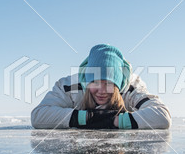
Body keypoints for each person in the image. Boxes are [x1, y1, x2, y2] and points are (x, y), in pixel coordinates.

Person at [31, 44, 171, 129]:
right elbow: (39, 116)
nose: (102, 91)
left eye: (109, 83)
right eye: (95, 83)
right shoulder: (69, 86)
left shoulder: (132, 87)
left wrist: (117, 121)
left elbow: (162, 115)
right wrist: (86, 117)